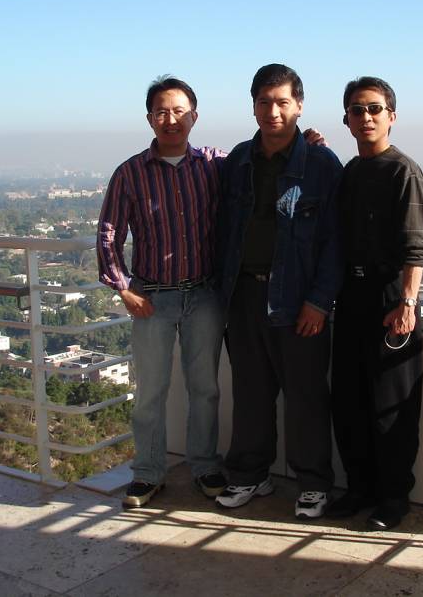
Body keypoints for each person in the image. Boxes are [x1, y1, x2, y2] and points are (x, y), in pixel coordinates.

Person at [215, 63, 343, 520]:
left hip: (298, 300)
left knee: (306, 394)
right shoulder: (237, 162)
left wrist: (319, 301)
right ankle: (249, 474)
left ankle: (312, 484)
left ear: (299, 106)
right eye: (265, 102)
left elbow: (335, 241)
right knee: (250, 391)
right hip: (244, 295)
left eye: (282, 102)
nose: (273, 111)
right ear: (253, 107)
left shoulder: (322, 164)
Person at [97, 76, 227, 507]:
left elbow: (266, 162)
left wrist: (313, 142)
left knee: (204, 388)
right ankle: (149, 473)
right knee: (150, 391)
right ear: (149, 117)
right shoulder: (130, 172)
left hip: (204, 295)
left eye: (178, 111)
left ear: (194, 116)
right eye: (161, 112)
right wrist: (122, 288)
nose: (170, 120)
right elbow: (109, 234)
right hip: (152, 297)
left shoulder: (214, 164)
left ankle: (205, 466)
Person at [327, 76, 423, 531]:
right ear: (346, 119)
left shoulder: (402, 171)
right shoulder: (350, 171)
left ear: (391, 116)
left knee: (393, 404)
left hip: (391, 297)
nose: (365, 117)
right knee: (348, 399)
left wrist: (407, 302)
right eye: (356, 110)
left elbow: (416, 247)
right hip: (350, 296)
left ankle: (393, 498)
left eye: (373, 109)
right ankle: (360, 487)